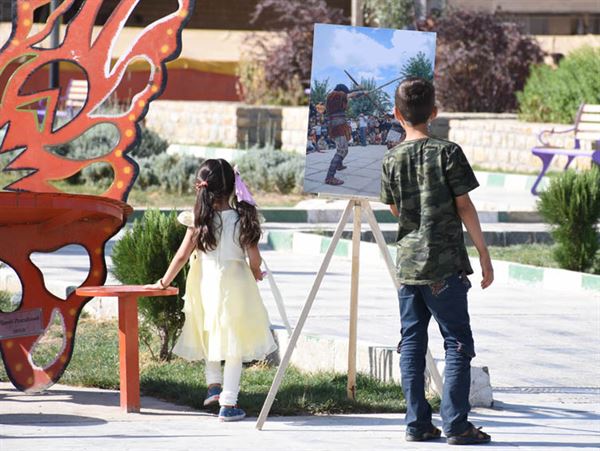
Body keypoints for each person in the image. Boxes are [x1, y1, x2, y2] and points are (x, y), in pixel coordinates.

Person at [380, 77, 493, 445]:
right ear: (434, 112)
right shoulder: (448, 152)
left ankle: (417, 424)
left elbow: (396, 208)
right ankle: (457, 425)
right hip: (445, 266)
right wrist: (484, 254)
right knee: (457, 342)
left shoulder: (391, 159)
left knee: (411, 343)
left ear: (396, 115)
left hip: (409, 267)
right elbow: (465, 206)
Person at [146, 159, 277, 422]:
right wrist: (256, 273)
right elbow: (254, 260)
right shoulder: (243, 219)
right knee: (233, 343)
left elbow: (182, 256)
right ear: (232, 188)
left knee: (211, 332)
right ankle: (228, 404)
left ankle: (213, 386)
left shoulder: (198, 220)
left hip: (205, 285)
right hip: (236, 286)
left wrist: (163, 282)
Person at [324, 83, 364, 186]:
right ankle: (329, 177)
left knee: (342, 149)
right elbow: (349, 95)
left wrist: (358, 91)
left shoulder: (335, 96)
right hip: (337, 126)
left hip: (338, 125)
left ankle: (339, 165)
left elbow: (349, 94)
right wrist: (361, 92)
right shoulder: (334, 96)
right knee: (342, 150)